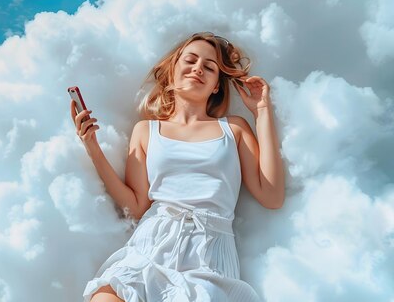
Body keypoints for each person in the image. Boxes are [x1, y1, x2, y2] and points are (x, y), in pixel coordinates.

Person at [71, 31, 285, 302]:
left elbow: (272, 195)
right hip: (152, 243)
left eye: (209, 67)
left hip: (208, 251)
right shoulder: (146, 130)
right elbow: (136, 206)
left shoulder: (234, 128)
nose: (198, 69)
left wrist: (261, 111)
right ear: (173, 70)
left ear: (217, 85)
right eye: (191, 60)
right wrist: (92, 147)